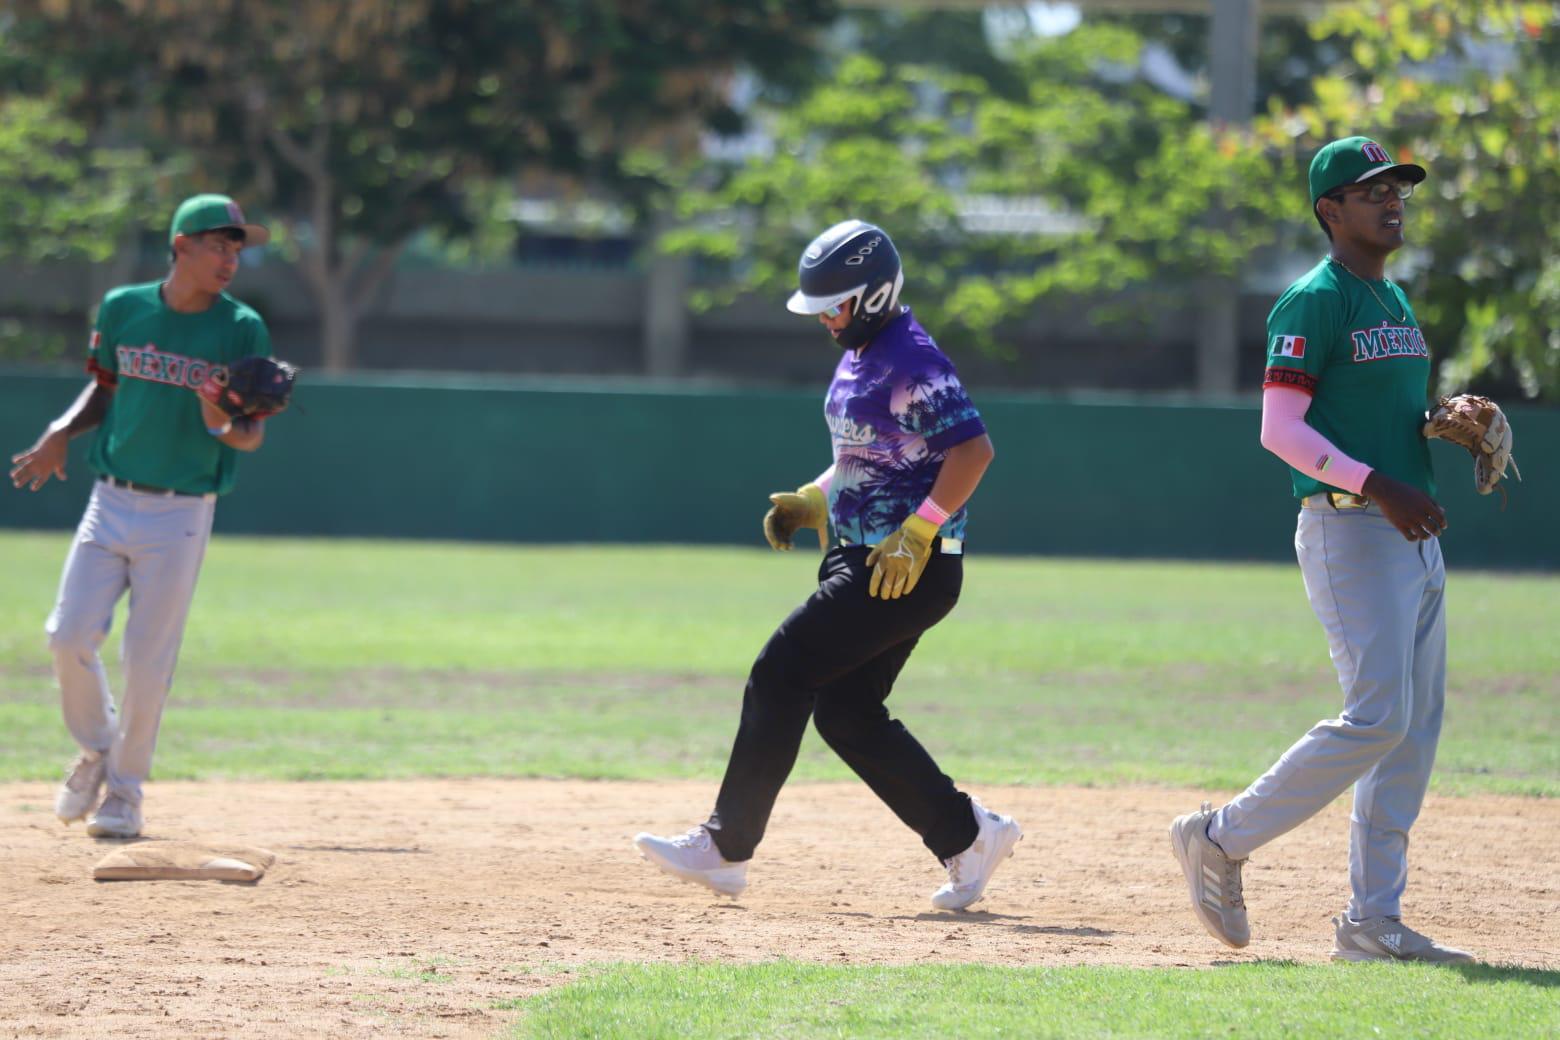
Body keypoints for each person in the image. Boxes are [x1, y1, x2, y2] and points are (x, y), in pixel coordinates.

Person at [634, 220, 1021, 910]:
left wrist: (919, 531)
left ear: (872, 296)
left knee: (781, 670)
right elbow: (864, 456)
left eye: (833, 305)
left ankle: (725, 847)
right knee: (846, 713)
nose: (824, 318)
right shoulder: (862, 354)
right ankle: (968, 836)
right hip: (867, 558)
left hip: (903, 568)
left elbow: (974, 451)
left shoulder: (912, 358)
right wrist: (815, 498)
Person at [1169, 137, 1474, 963]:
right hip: (1351, 527)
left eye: (1397, 187)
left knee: (1412, 730)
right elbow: (1281, 430)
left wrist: (1438, 422)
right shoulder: (1314, 300)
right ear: (1330, 210)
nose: (1392, 200)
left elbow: (1370, 412)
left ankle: (1373, 921)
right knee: (1378, 716)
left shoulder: (1392, 299)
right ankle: (1220, 837)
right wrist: (1379, 483)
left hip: (1409, 532)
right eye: (1372, 191)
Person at [9, 193, 276, 839]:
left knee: (148, 661)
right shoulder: (124, 307)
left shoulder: (243, 328)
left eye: (237, 248)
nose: (230, 259)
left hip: (181, 511)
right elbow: (106, 387)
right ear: (181, 246)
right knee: (67, 635)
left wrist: (221, 424)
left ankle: (125, 796)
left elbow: (251, 435)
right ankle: (98, 748)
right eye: (218, 245)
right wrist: (61, 431)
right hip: (109, 498)